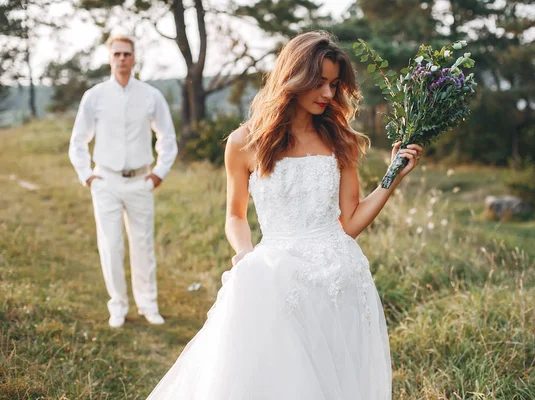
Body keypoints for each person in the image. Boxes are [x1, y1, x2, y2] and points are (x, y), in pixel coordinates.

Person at [147, 30, 422, 399]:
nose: (327, 94)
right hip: (277, 277)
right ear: (294, 78)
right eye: (319, 83)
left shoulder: (341, 140)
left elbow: (350, 223)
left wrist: (392, 178)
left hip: (340, 279)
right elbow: (235, 215)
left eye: (334, 84)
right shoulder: (244, 142)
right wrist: (245, 254)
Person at [69, 35, 178, 328]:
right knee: (111, 245)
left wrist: (159, 173)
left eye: (126, 54)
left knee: (143, 245)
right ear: (109, 58)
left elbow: (167, 137)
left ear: (134, 57)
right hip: (106, 179)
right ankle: (117, 305)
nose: (121, 58)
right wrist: (87, 175)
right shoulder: (94, 96)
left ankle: (148, 305)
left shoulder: (151, 95)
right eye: (116, 53)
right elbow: (78, 140)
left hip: (141, 180)